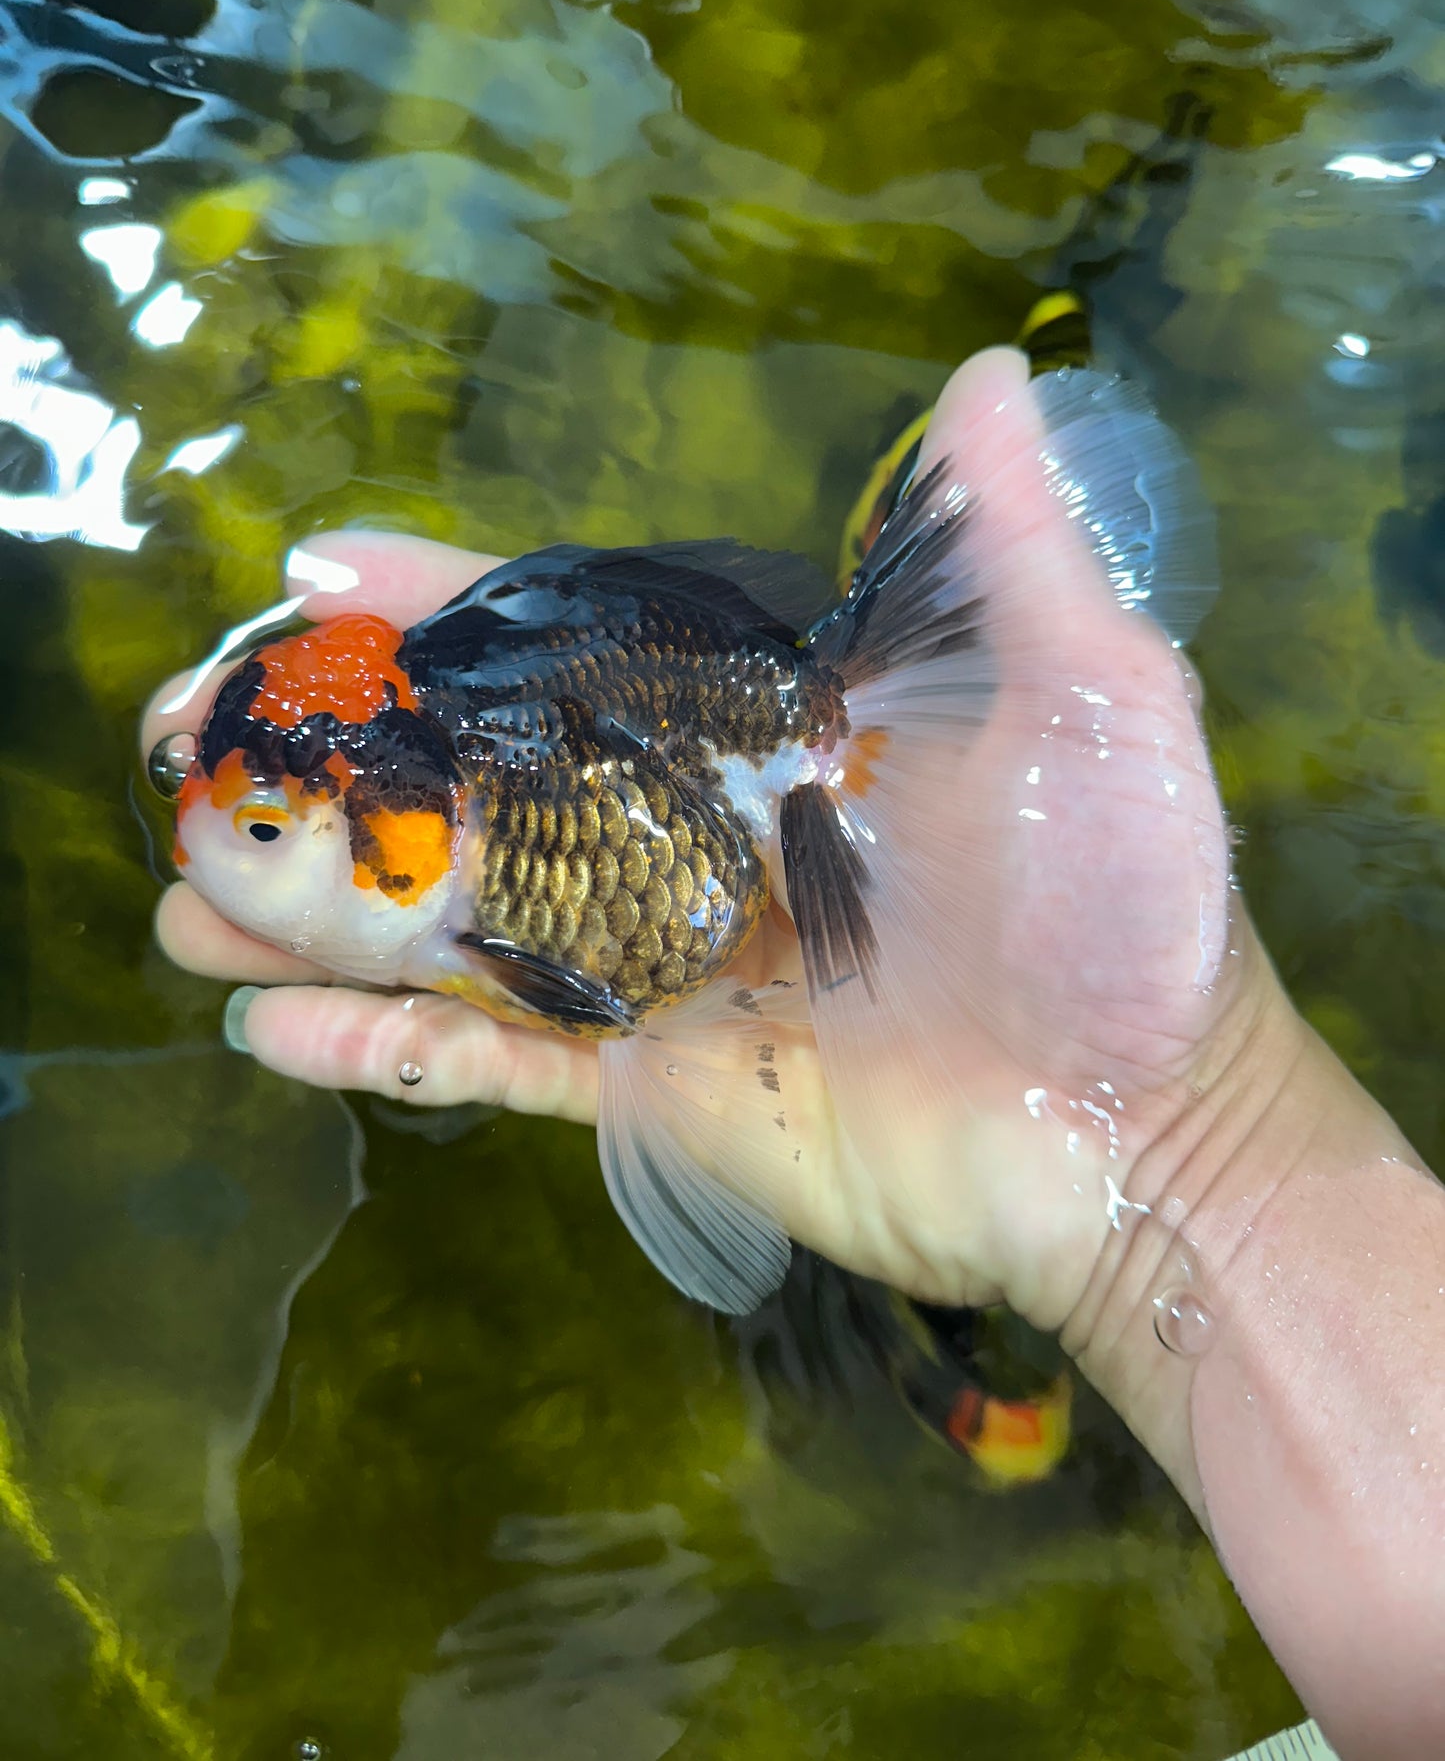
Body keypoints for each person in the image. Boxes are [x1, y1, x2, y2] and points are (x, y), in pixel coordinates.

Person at [141, 347, 1445, 1761]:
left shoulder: (497, 893)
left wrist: (1158, 1129)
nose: (207, 843)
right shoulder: (439, 809)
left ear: (402, 836)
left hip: (725, 800)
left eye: (264, 830)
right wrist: (1177, 1151)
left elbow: (598, 991)